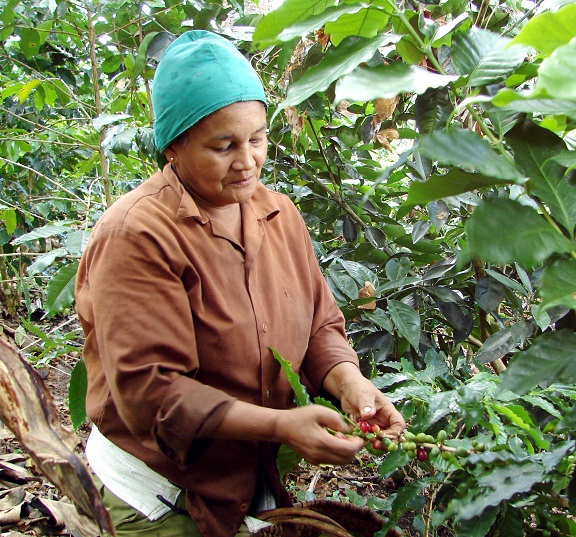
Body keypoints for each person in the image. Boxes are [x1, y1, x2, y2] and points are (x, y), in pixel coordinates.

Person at [74, 30, 405, 537]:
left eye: (257, 138)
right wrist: (279, 426)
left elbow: (319, 324)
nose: (247, 160)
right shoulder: (137, 235)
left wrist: (349, 383)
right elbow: (150, 393)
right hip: (159, 495)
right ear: (173, 148)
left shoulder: (278, 214)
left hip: (244, 480)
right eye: (223, 146)